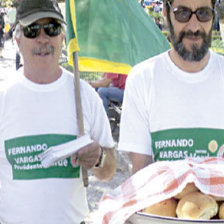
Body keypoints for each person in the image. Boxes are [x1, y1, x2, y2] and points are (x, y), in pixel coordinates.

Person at [0, 0, 116, 224]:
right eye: (33, 30)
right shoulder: (4, 98)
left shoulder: (84, 95)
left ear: (62, 37)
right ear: (17, 39)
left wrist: (99, 157)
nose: (43, 39)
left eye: (51, 28)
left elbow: (109, 170)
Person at [118, 0, 224, 174]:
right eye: (182, 13)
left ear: (213, 17)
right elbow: (141, 177)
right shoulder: (142, 80)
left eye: (203, 13)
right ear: (166, 15)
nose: (194, 26)